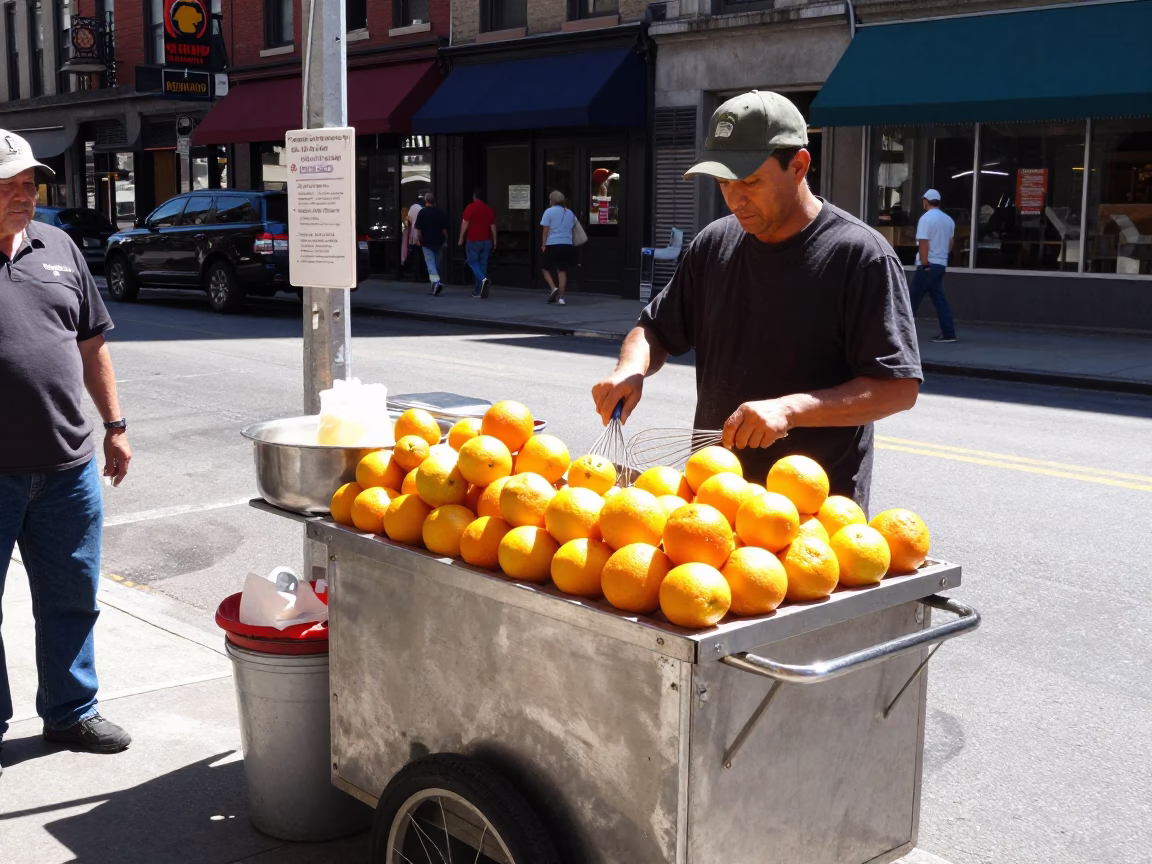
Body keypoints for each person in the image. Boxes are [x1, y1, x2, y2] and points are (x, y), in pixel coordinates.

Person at [591, 91, 922, 510]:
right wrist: (630, 368)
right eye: (724, 182)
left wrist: (791, 409)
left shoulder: (860, 256)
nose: (734, 199)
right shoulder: (714, 243)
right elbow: (655, 328)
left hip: (809, 518)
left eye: (750, 181)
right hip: (713, 500)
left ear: (799, 165)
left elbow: (898, 388)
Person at [0, 131, 133, 775]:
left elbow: (92, 345)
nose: (24, 195)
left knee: (73, 595)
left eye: (29, 183)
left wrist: (114, 425)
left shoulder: (61, 247)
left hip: (68, 466)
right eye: (8, 186)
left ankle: (71, 711)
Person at [910, 189, 958, 343]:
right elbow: (951, 241)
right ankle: (949, 333)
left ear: (926, 201)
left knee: (911, 300)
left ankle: (899, 334)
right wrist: (942, 256)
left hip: (928, 264)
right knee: (939, 300)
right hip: (940, 264)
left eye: (923, 200)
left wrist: (925, 264)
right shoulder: (948, 220)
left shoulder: (926, 219)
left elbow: (923, 242)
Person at [458, 187, 496, 299]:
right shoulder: (488, 209)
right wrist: (495, 241)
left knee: (472, 261)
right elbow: (493, 226)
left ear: (474, 197)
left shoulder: (470, 208)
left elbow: (464, 224)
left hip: (473, 240)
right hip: (486, 240)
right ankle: (478, 290)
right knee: (482, 264)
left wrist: (461, 238)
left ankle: (484, 280)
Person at [540, 190, 577, 305]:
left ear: (553, 200)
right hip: (566, 244)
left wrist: (543, 244)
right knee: (562, 271)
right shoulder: (570, 213)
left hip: (552, 244)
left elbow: (545, 230)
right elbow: (572, 229)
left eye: (551, 199)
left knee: (544, 268)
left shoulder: (549, 212)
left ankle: (553, 288)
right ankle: (561, 297)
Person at [414, 191, 449, 296]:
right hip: (439, 242)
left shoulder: (422, 213)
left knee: (430, 264)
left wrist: (418, 239)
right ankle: (433, 286)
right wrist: (445, 240)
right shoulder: (440, 212)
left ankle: (436, 282)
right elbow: (444, 230)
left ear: (425, 201)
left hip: (427, 242)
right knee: (435, 264)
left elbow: (418, 229)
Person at [405, 193, 426, 282]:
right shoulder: (422, 209)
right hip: (422, 234)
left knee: (415, 255)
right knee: (422, 255)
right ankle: (423, 275)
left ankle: (416, 275)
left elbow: (408, 221)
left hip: (413, 234)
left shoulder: (412, 208)